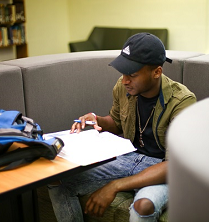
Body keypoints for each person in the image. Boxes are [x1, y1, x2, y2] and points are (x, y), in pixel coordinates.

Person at [49, 33, 196, 222]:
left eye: (132, 74)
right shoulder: (124, 86)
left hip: (161, 167)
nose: (125, 80)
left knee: (142, 206)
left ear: (157, 72)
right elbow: (117, 123)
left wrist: (115, 186)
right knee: (57, 181)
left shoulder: (182, 101)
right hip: (129, 157)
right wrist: (97, 121)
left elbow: (173, 166)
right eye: (123, 73)